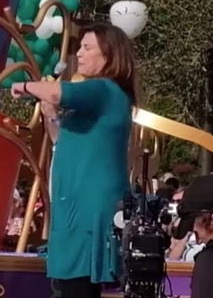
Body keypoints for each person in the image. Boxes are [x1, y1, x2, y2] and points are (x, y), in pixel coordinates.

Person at [9, 23, 137, 298]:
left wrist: (25, 85)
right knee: (70, 285)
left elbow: (57, 92)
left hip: (89, 208)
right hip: (75, 204)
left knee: (78, 284)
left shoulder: (105, 89)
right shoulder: (97, 99)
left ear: (109, 56)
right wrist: (52, 116)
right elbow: (63, 143)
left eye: (87, 48)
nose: (78, 54)